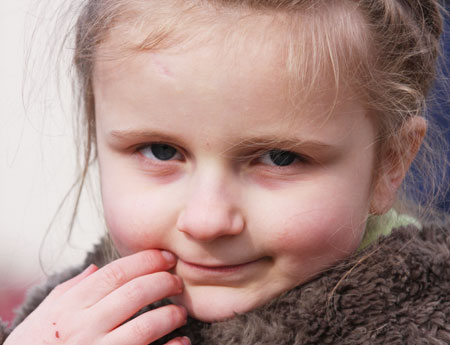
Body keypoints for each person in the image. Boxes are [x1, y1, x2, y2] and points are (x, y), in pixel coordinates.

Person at [1, 0, 449, 344]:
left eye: (279, 158)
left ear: (391, 162)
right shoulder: (61, 322)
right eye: (160, 151)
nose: (207, 220)